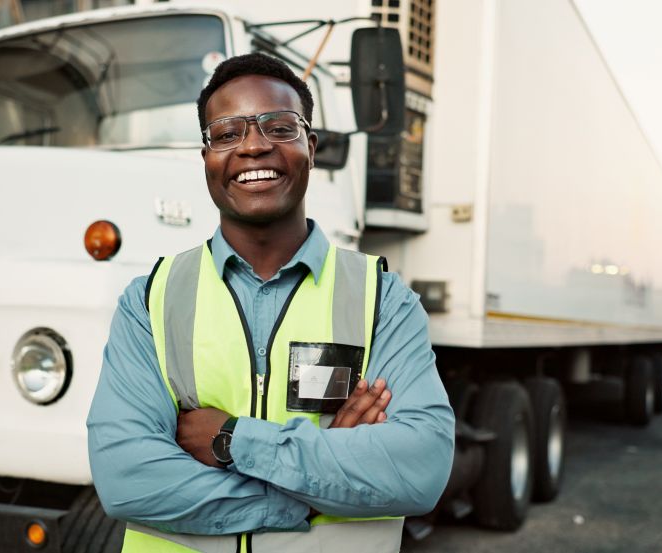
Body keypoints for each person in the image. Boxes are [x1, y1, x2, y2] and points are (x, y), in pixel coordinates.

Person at [87, 52, 455, 553]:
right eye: (226, 133)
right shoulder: (150, 300)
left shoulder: (381, 300)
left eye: (280, 127)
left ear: (312, 146)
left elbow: (420, 468)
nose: (254, 145)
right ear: (206, 157)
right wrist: (308, 497)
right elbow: (125, 476)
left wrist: (232, 440)